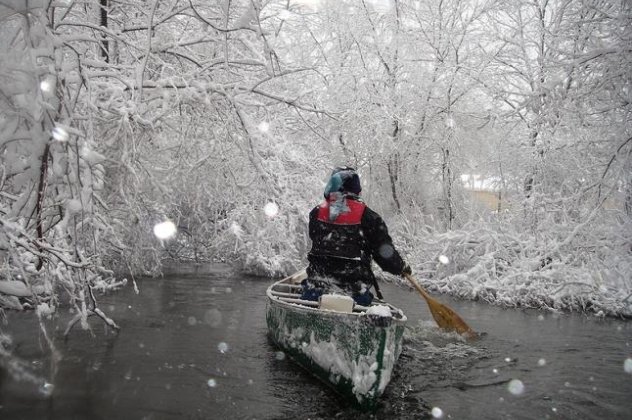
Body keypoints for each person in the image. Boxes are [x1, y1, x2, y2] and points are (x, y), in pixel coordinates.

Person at [301, 166, 411, 306]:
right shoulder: (369, 217)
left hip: (316, 287)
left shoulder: (316, 213)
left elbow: (315, 237)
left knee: (310, 290)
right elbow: (384, 252)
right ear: (356, 189)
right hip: (354, 291)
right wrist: (399, 267)